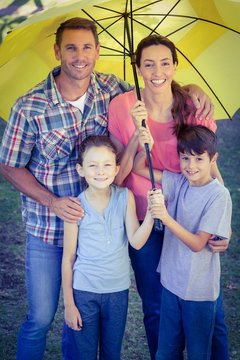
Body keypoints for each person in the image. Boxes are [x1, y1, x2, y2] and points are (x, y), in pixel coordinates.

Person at [0, 17, 217, 360]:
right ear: (57, 51)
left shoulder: (111, 89)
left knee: (111, 306)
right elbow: (8, 163)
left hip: (103, 225)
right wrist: (52, 201)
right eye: (70, 47)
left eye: (87, 47)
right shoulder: (30, 107)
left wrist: (191, 89)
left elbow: (156, 81)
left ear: (98, 52)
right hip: (51, 225)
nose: (79, 55)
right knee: (41, 317)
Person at [108, 34, 229, 359]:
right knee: (156, 306)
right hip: (146, 219)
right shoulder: (121, 107)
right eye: (148, 64)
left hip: (190, 218)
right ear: (137, 67)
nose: (156, 71)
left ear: (176, 66)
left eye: (165, 62)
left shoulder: (193, 104)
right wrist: (136, 133)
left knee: (208, 303)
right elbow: (119, 175)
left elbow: (210, 164)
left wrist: (221, 220)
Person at [61, 135, 160, 360]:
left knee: (111, 353)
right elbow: (68, 259)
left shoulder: (125, 197)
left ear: (116, 169)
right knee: (83, 354)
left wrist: (153, 215)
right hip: (85, 292)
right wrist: (69, 304)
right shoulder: (75, 206)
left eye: (107, 165)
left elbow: (135, 240)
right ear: (80, 169)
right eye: (92, 165)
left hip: (117, 292)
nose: (100, 171)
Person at [140, 125, 232, 360]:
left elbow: (198, 244)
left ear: (213, 159)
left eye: (199, 159)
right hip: (172, 283)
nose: (191, 166)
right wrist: (144, 146)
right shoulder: (179, 182)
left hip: (198, 291)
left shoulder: (218, 195)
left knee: (199, 352)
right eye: (185, 158)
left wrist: (165, 217)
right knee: (166, 351)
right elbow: (139, 168)